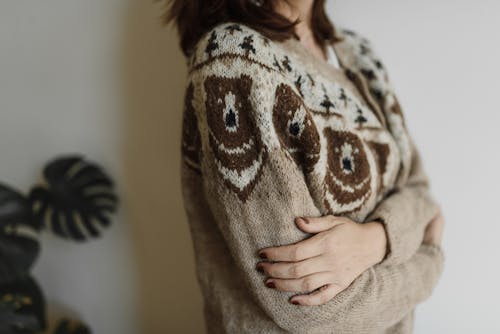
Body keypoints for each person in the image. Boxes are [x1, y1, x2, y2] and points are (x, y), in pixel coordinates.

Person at [165, 0, 445, 332]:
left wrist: (377, 239)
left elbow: (421, 194)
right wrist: (430, 263)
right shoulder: (232, 60)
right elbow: (307, 309)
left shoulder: (358, 55)